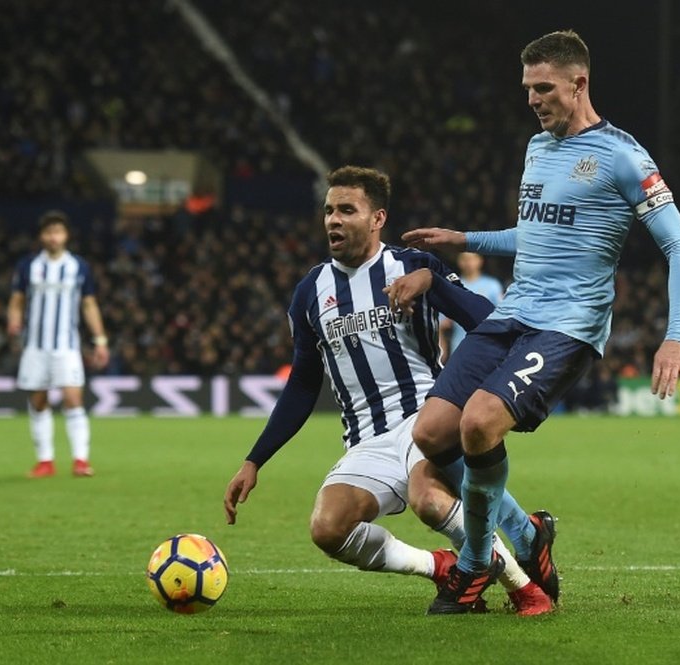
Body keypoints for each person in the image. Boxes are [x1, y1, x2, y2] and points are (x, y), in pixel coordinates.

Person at [403, 30, 680, 614]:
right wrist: (467, 238)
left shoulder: (623, 156)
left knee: (481, 424)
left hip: (567, 325)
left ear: (578, 83)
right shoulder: (538, 148)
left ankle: (472, 569)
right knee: (431, 434)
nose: (534, 100)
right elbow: (537, 236)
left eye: (544, 88)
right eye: (527, 89)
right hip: (514, 312)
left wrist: (676, 337)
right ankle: (531, 535)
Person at [223, 166, 554, 615]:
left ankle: (521, 587)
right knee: (328, 528)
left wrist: (434, 281)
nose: (333, 220)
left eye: (346, 210)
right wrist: (254, 459)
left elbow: (487, 321)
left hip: (424, 418)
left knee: (431, 502)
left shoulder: (410, 265)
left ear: (377, 218)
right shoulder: (310, 293)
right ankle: (440, 566)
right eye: (328, 211)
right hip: (365, 439)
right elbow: (303, 382)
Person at [7, 211, 110, 478]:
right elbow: (17, 299)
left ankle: (80, 460)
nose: (54, 237)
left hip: (67, 345)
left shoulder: (78, 266)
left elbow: (89, 303)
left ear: (66, 236)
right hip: (36, 346)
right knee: (39, 401)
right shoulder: (28, 265)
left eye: (58, 232)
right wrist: (14, 320)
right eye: (49, 232)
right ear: (42, 236)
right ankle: (45, 461)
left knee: (73, 398)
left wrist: (100, 340)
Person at [439, 252, 503, 363]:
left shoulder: (493, 285)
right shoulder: (451, 287)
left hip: (488, 348)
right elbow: (441, 325)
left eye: (472, 259)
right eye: (464, 259)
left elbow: (502, 317)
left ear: (480, 261)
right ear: (459, 261)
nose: (468, 263)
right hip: (459, 348)